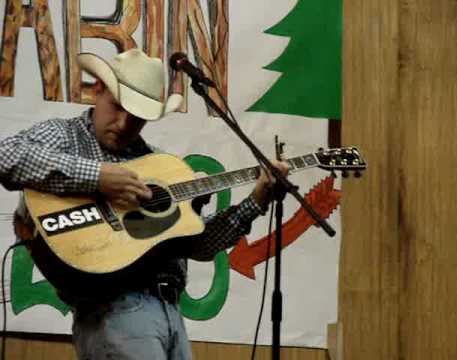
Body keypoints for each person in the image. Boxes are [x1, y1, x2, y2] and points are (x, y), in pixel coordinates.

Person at [0, 49, 288, 359]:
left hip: (171, 312)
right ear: (98, 89)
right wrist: (97, 177)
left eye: (137, 117)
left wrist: (256, 201)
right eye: (118, 107)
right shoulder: (66, 136)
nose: (124, 123)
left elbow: (198, 247)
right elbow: (6, 156)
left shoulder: (159, 164)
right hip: (114, 311)